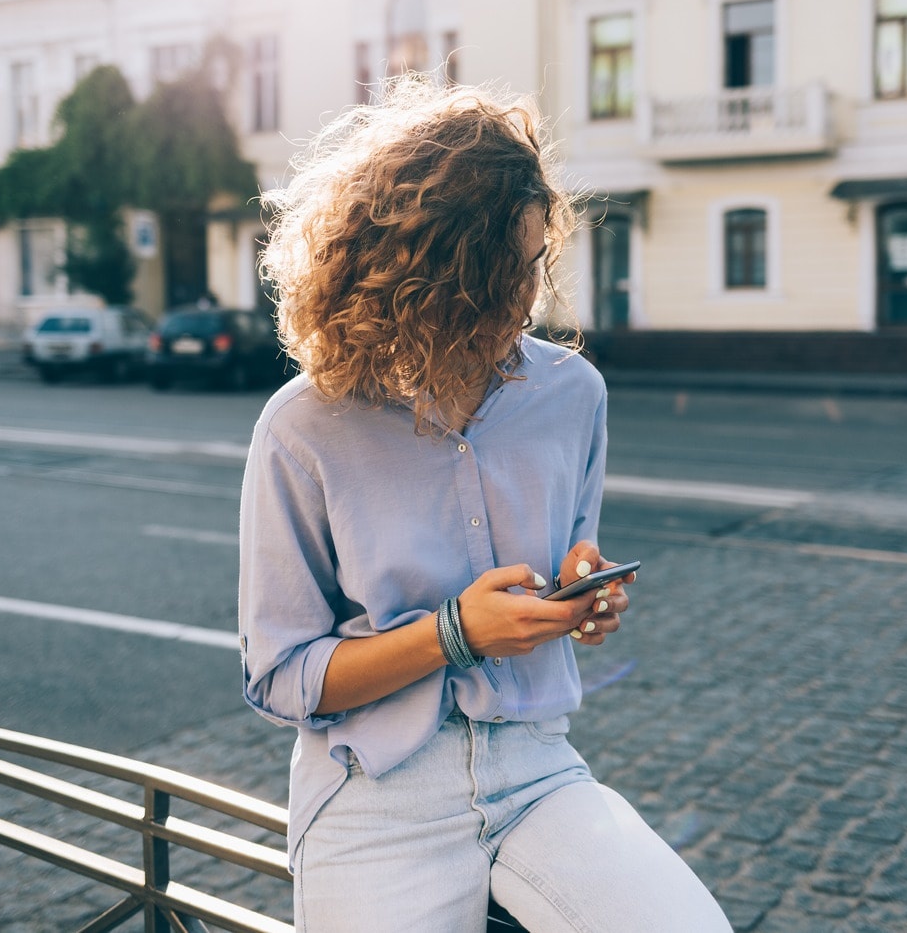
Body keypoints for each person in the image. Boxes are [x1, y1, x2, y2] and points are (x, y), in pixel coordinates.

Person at [239, 79, 732, 932]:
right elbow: (280, 678)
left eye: (536, 262)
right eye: (504, 271)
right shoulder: (304, 426)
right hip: (376, 792)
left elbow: (572, 554)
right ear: (426, 271)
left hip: (538, 766)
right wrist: (454, 634)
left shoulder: (573, 392)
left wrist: (582, 596)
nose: (528, 295)